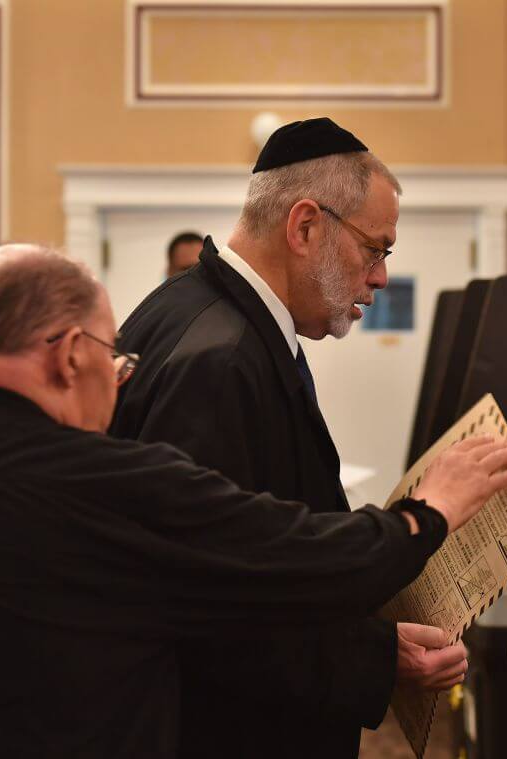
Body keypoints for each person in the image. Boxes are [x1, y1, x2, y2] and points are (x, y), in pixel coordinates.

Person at [0, 244, 507, 758]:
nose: (121, 379)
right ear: (72, 354)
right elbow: (304, 559)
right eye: (117, 358)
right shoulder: (117, 485)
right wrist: (429, 508)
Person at [110, 118, 459, 757]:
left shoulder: (202, 314)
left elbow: (253, 559)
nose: (380, 277)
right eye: (375, 248)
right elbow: (211, 611)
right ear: (304, 226)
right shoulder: (219, 358)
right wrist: (380, 660)